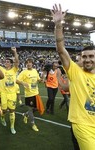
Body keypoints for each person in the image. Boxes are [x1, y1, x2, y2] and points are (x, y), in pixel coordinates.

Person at [51, 4, 95, 150]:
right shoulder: (76, 71)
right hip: (82, 125)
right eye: (85, 57)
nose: (88, 60)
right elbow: (61, 49)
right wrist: (58, 25)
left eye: (91, 56)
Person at [16, 58, 44, 132]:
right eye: (27, 62)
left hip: (36, 93)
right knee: (31, 109)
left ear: (32, 64)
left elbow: (38, 79)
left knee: (36, 108)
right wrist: (23, 83)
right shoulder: (24, 72)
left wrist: (41, 80)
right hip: (29, 94)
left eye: (30, 62)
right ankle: (33, 124)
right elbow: (16, 80)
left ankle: (25, 114)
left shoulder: (35, 71)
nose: (28, 64)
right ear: (26, 64)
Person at [0, 47, 19, 134]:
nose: (6, 63)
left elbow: (17, 62)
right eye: (5, 62)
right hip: (4, 93)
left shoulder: (14, 70)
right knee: (4, 110)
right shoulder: (2, 69)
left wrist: (15, 52)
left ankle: (12, 126)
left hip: (12, 94)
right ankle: (2, 118)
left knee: (12, 110)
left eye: (7, 62)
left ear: (11, 64)